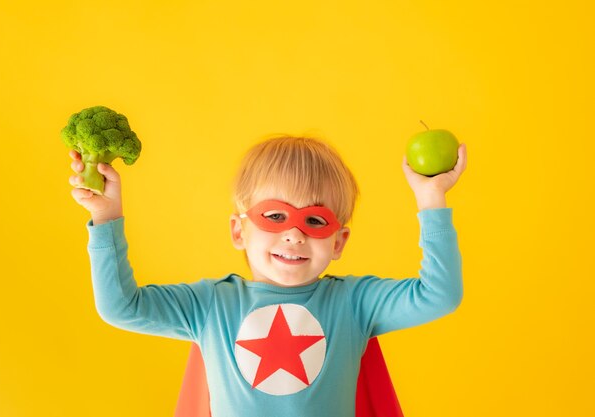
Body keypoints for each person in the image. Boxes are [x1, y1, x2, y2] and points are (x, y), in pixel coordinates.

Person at [68, 135, 467, 416]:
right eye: (274, 216)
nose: (294, 233)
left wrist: (431, 199)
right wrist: (105, 219)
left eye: (315, 219)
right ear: (239, 231)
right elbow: (121, 307)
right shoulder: (210, 305)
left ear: (339, 242)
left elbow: (438, 294)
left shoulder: (355, 303)